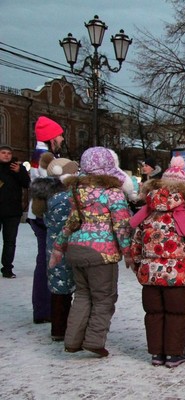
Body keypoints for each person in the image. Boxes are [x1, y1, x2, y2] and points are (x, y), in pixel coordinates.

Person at [49, 146, 134, 357]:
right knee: (104, 297)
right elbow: (122, 226)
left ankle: (72, 341)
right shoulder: (112, 193)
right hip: (101, 253)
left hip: (76, 249)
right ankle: (94, 341)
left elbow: (71, 222)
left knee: (82, 295)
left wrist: (59, 247)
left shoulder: (76, 191)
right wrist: (129, 252)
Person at [130, 156, 185, 368]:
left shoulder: (147, 215)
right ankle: (174, 354)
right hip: (176, 276)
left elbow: (136, 243)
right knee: (177, 314)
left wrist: (138, 264)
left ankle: (157, 353)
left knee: (154, 314)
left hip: (150, 277)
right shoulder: (184, 217)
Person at [30, 157, 79, 341]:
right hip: (68, 243)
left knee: (59, 287)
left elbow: (38, 214)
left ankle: (58, 329)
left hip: (52, 243)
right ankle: (70, 328)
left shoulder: (47, 193)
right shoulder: (68, 196)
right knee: (73, 287)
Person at [29, 116, 65, 323]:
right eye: (59, 135)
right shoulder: (46, 157)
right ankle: (45, 309)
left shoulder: (41, 154)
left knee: (46, 260)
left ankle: (45, 308)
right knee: (47, 261)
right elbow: (53, 183)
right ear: (51, 137)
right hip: (45, 215)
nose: (61, 139)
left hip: (39, 214)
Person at [0, 145, 31, 279]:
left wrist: (19, 172)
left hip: (12, 211)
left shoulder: (18, 168)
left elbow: (27, 184)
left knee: (10, 241)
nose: (6, 155)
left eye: (8, 153)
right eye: (3, 153)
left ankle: (7, 268)